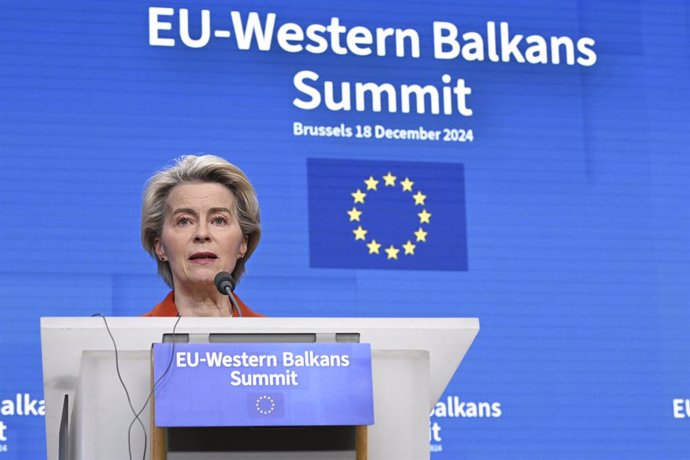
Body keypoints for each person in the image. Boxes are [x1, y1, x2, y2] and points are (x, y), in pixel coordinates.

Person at [140, 154, 263, 317]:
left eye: (219, 220)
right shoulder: (126, 341)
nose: (202, 234)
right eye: (184, 221)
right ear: (160, 246)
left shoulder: (274, 340)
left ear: (243, 245)